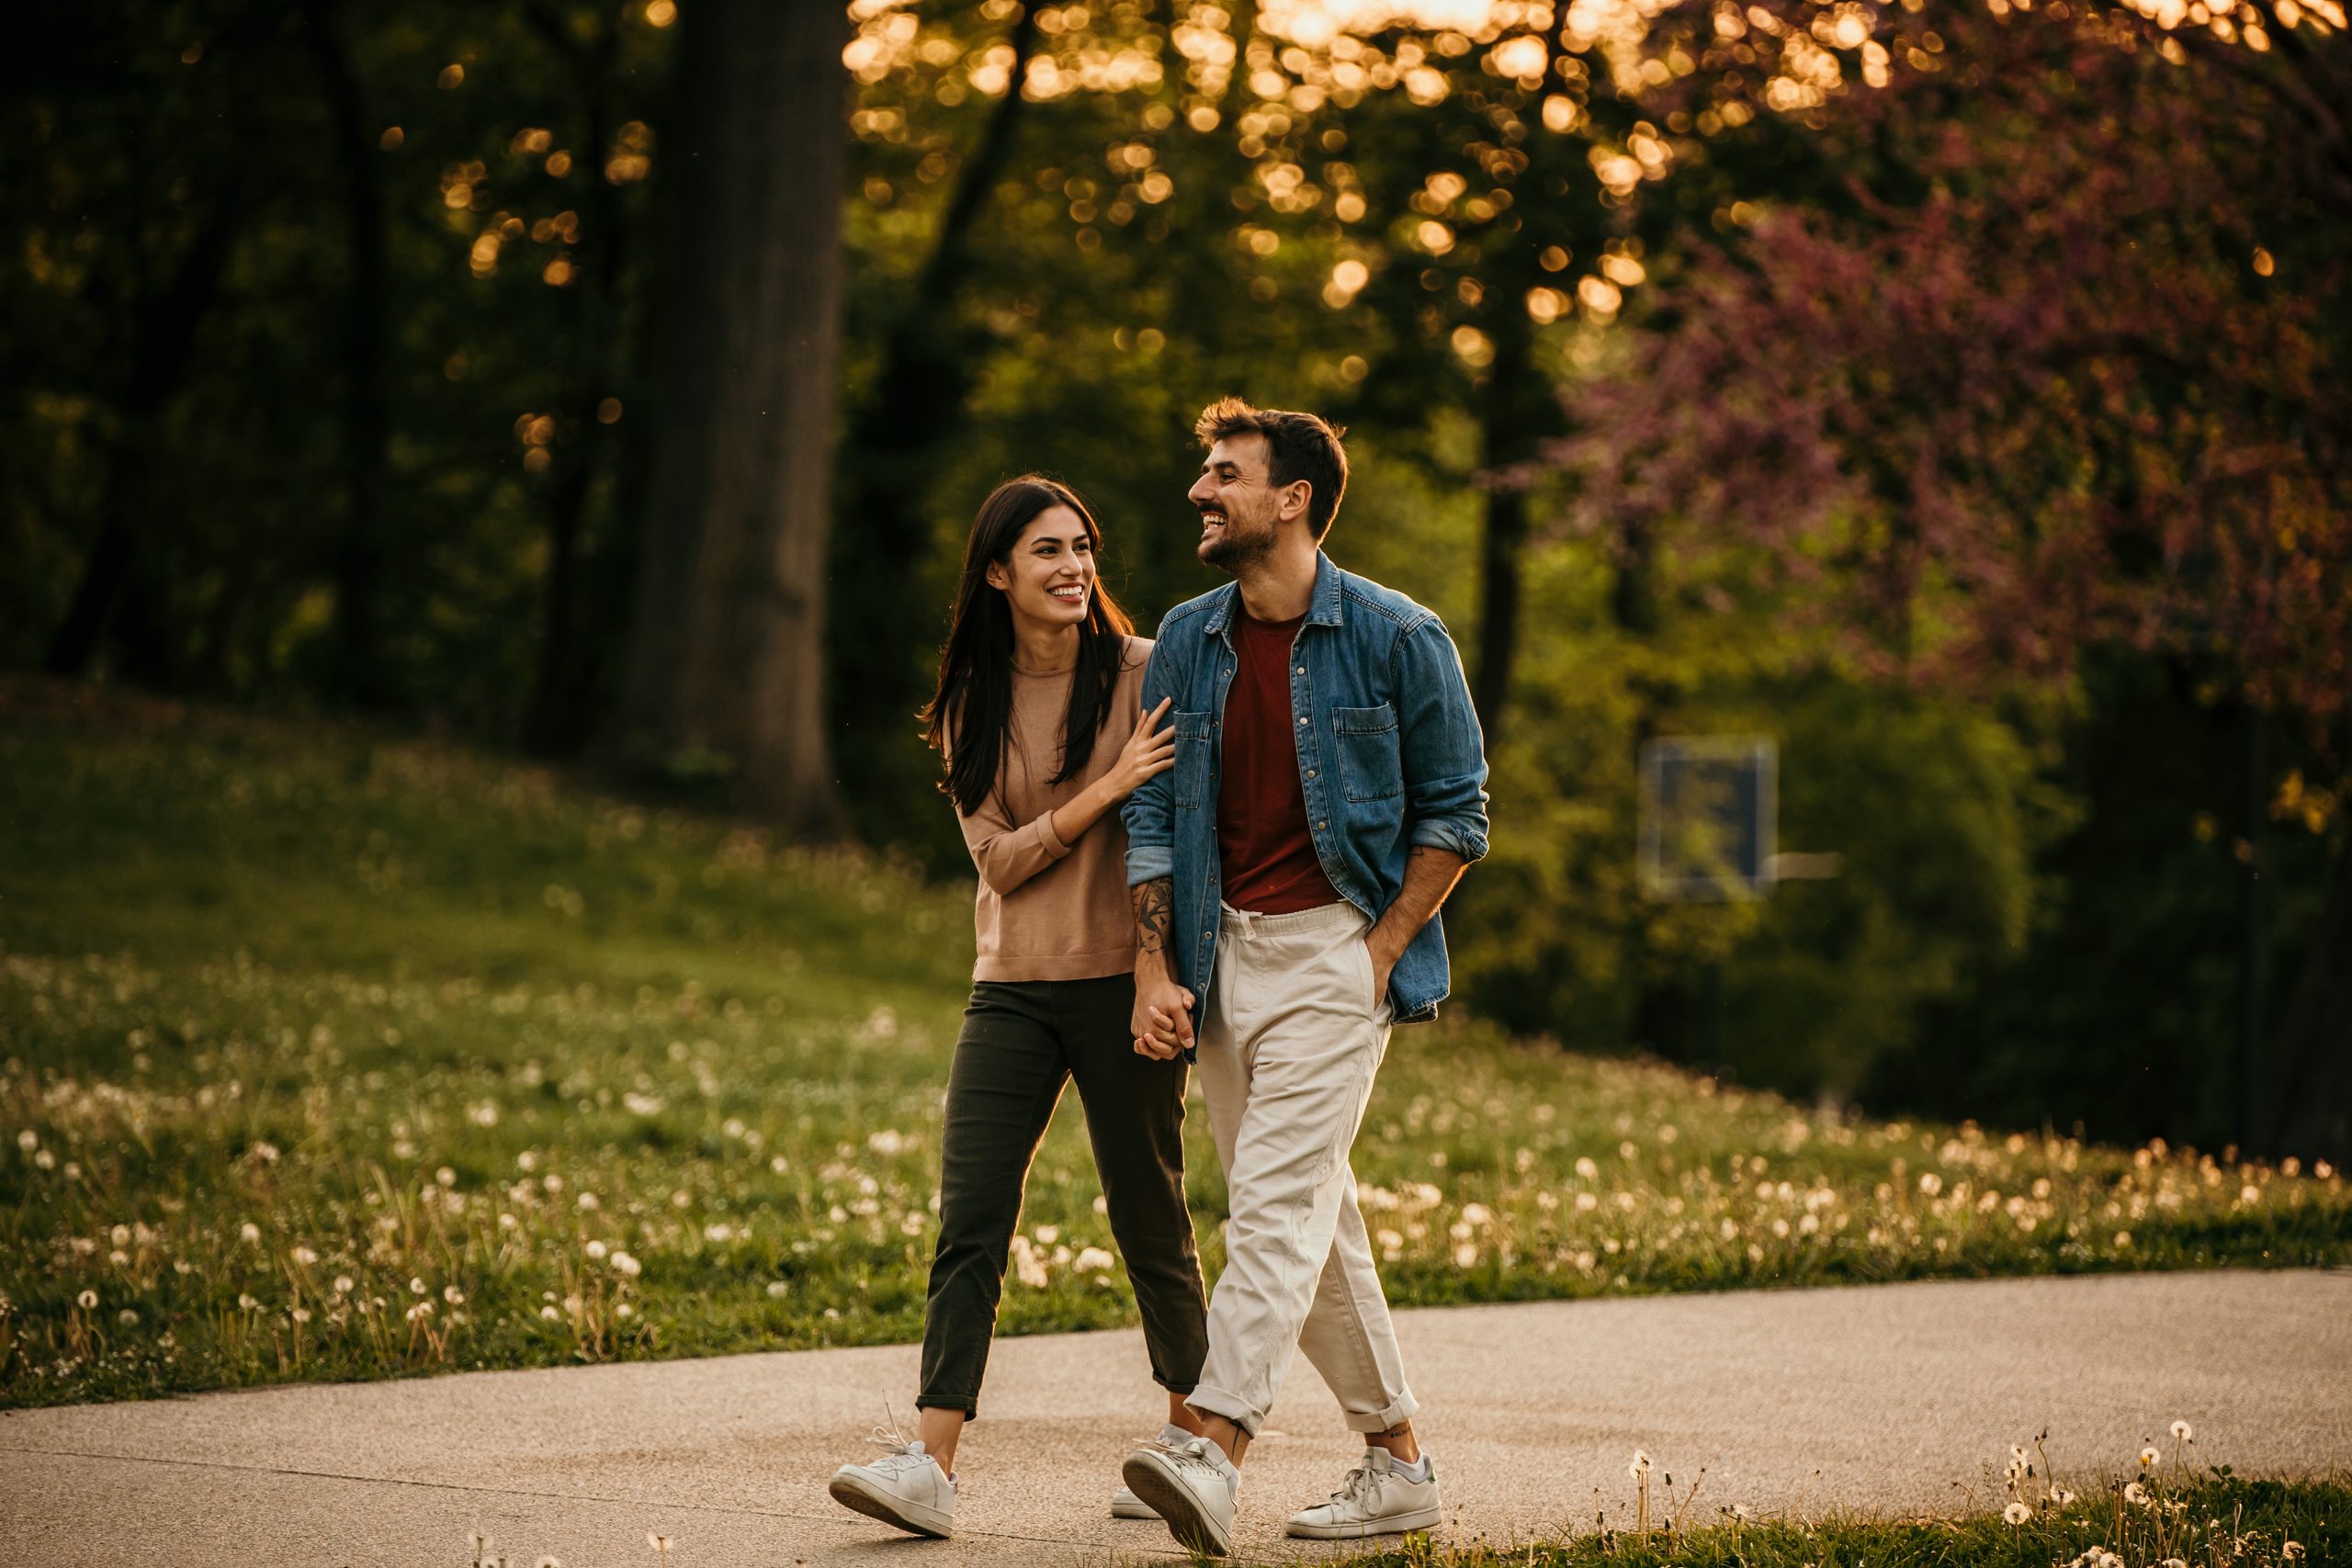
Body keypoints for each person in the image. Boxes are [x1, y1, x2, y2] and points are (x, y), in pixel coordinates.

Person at [1116, 400, 1491, 1555]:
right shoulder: (1188, 637)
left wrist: (1373, 957)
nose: (1199, 489)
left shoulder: (1397, 636)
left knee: (1273, 1205)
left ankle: (1212, 1445)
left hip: (1338, 951)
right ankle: (1399, 1464)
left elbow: (1458, 813)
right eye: (1203, 470)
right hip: (1224, 955)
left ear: (1292, 500)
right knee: (1314, 1221)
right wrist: (1154, 961)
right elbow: (1151, 808)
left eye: (1224, 473)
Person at [827, 475, 1211, 1540]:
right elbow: (998, 863)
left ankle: (1187, 1445)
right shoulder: (969, 703)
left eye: (1082, 547)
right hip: (1009, 991)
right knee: (971, 1221)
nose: (1074, 568)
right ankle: (930, 1466)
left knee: (1148, 1211)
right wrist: (1104, 787)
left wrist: (1153, 967)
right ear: (997, 572)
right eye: (1047, 551)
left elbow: (1169, 832)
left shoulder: (1144, 674)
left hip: (1120, 982)